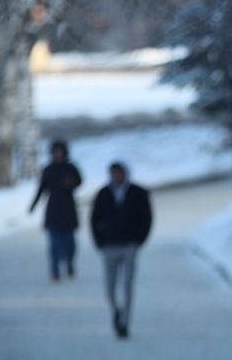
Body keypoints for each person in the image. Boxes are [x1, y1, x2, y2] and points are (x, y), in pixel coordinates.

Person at [90, 161, 152, 339]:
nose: (117, 176)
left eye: (120, 172)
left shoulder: (138, 193)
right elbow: (94, 219)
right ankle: (116, 310)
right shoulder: (103, 193)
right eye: (114, 173)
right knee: (109, 287)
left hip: (129, 245)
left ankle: (125, 322)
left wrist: (140, 239)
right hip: (109, 246)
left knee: (127, 285)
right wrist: (99, 241)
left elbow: (147, 217)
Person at [29, 139, 83, 282]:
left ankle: (70, 263)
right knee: (54, 246)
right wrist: (33, 205)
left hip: (68, 211)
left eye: (59, 152)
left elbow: (79, 182)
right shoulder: (48, 170)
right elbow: (42, 189)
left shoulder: (70, 168)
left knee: (70, 244)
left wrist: (70, 183)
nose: (57, 154)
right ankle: (54, 271)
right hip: (53, 212)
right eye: (55, 152)